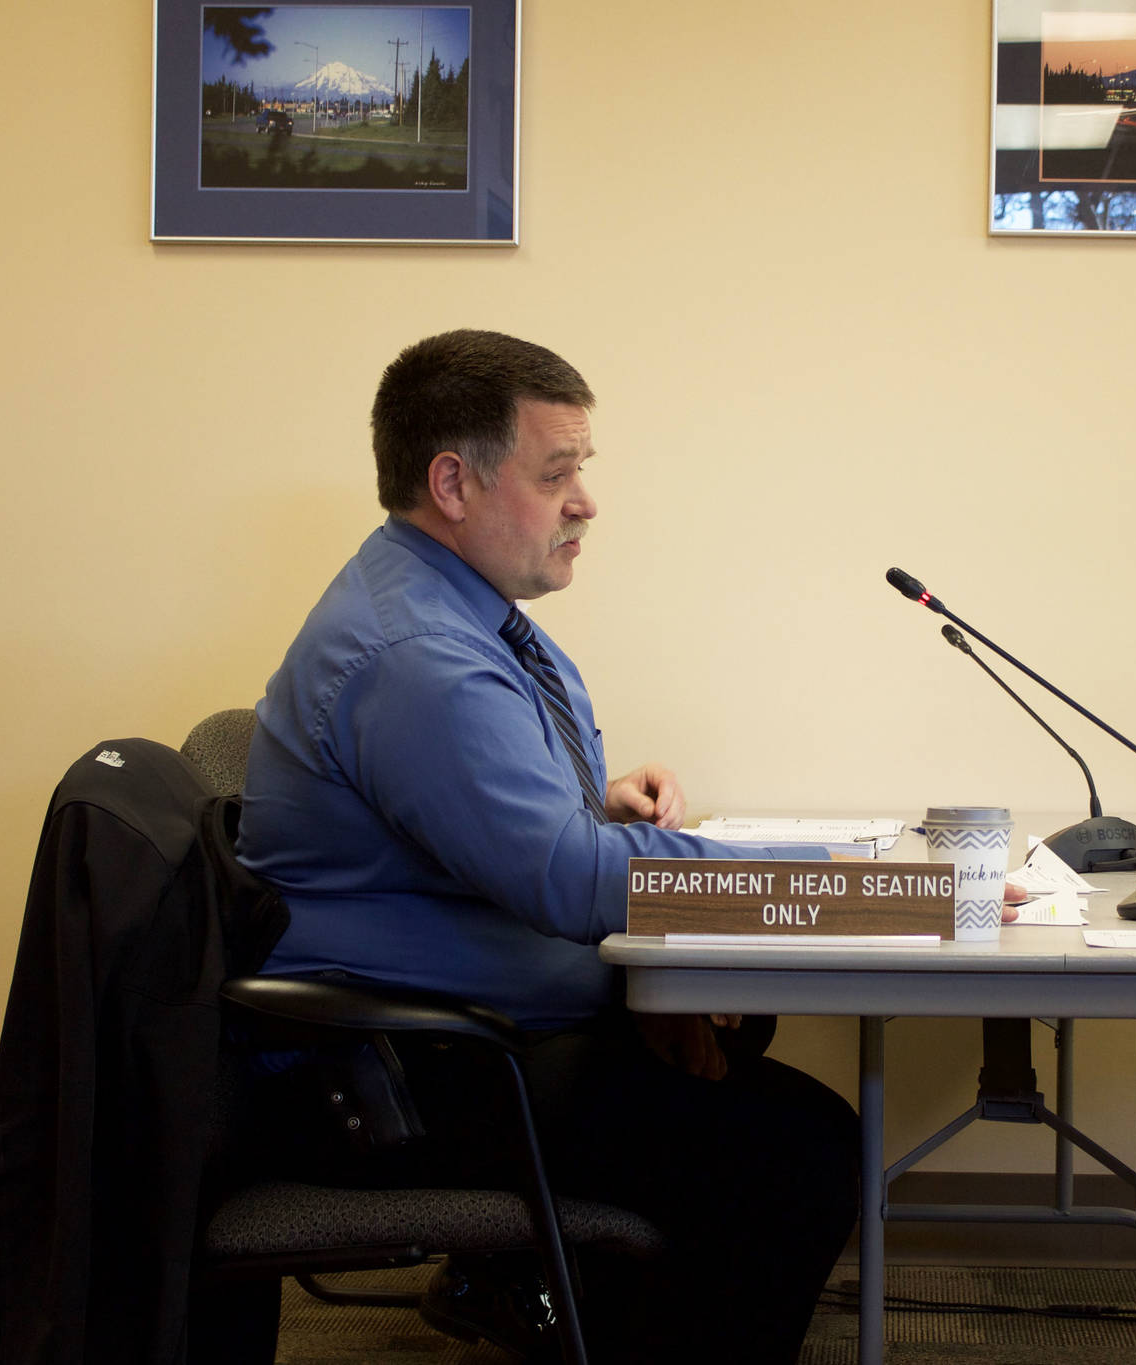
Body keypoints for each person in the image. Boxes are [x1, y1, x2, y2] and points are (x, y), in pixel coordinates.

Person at [236, 330, 860, 1362]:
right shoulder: (419, 654)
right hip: (402, 1074)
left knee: (739, 1043)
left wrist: (595, 810)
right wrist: (843, 888)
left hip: (461, 1028)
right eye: (556, 471)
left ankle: (558, 1303)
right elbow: (570, 882)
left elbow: (504, 826)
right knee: (796, 1150)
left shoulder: (445, 610)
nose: (585, 502)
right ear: (452, 483)